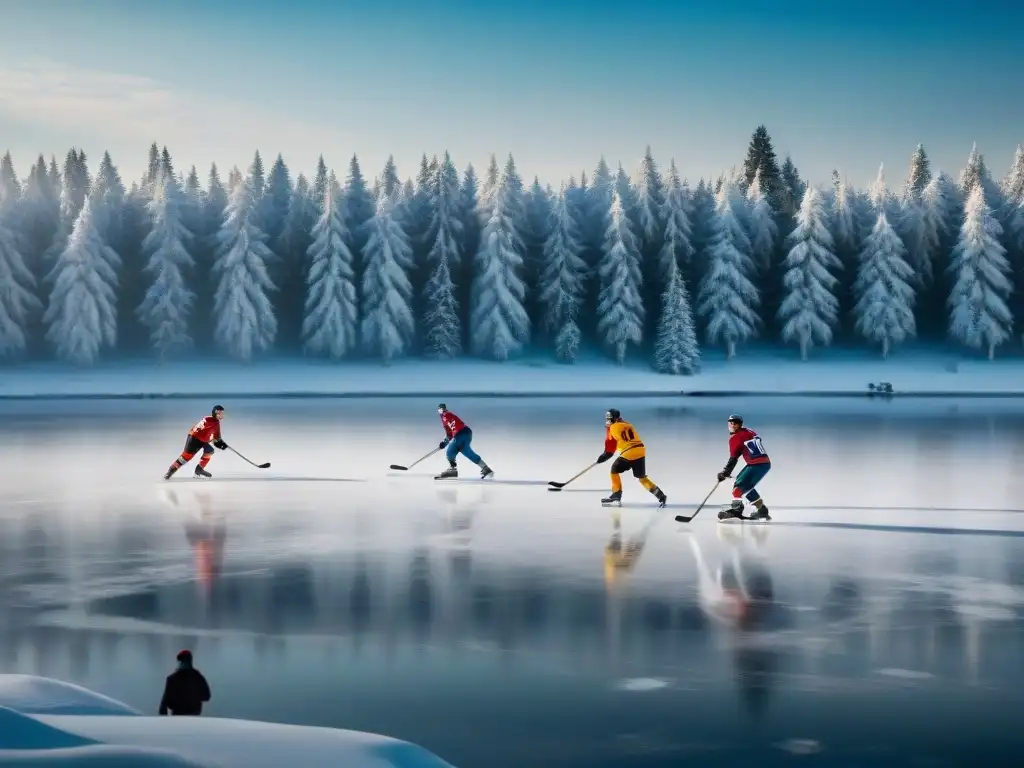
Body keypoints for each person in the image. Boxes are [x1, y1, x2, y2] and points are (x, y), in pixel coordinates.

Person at [597, 409, 667, 507]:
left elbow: (609, 451)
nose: (608, 420)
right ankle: (661, 496)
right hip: (640, 450)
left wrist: (602, 458)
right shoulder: (628, 424)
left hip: (629, 452)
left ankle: (616, 494)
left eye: (609, 418)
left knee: (614, 470)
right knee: (642, 477)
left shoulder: (611, 428)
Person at [717, 414, 771, 521]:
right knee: (746, 487)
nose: (732, 425)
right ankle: (762, 510)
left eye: (735, 423)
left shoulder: (735, 438)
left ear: (740, 424)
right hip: (763, 463)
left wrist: (725, 472)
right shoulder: (749, 431)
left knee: (738, 488)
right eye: (731, 423)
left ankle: (736, 510)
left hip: (756, 464)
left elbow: (733, 458)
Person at [164, 406, 229, 480]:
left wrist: (221, 443)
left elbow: (217, 437)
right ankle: (170, 471)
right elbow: (203, 427)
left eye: (222, 413)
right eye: (219, 413)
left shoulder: (216, 422)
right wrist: (219, 442)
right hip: (194, 439)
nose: (221, 415)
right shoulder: (209, 420)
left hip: (202, 440)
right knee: (185, 458)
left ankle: (199, 470)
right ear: (214, 413)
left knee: (209, 451)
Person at [436, 404, 493, 479]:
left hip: (460, 433)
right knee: (467, 452)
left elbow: (451, 432)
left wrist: (445, 442)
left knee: (450, 452)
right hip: (467, 432)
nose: (441, 411)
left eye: (441, 409)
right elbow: (450, 434)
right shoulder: (447, 418)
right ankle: (485, 468)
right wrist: (444, 443)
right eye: (440, 410)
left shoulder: (446, 415)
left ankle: (452, 470)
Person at [158, 649, 211, 716]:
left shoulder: (172, 679)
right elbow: (207, 696)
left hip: (177, 716)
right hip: (194, 716)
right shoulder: (198, 677)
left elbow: (165, 703)